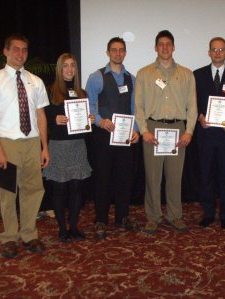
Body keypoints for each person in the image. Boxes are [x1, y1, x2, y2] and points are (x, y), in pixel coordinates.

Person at [0, 33, 49, 258]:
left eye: (24, 50)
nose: (21, 54)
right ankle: (9, 237)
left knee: (33, 190)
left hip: (31, 143)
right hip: (6, 143)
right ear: (6, 51)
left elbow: (40, 116)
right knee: (8, 193)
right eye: (16, 49)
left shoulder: (35, 81)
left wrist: (44, 147)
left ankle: (29, 233)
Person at [135, 30, 197, 234]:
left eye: (168, 44)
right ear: (155, 47)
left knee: (175, 176)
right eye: (161, 44)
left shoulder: (187, 74)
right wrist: (143, 130)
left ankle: (174, 215)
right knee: (153, 177)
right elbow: (139, 106)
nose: (164, 47)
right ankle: (153, 216)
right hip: (152, 129)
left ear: (174, 47)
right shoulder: (144, 73)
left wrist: (188, 131)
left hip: (178, 130)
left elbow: (192, 106)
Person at [86, 37, 139, 240]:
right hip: (103, 135)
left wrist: (136, 130)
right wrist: (100, 121)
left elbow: (134, 108)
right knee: (103, 178)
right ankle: (101, 219)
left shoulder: (131, 79)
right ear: (108, 52)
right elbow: (89, 106)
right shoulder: (96, 77)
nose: (118, 53)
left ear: (125, 53)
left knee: (124, 178)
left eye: (121, 50)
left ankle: (122, 217)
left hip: (125, 137)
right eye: (114, 50)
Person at [193, 37, 225, 229]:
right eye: (214, 49)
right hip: (205, 134)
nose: (217, 53)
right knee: (206, 176)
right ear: (209, 52)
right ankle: (208, 213)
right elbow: (193, 101)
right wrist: (199, 116)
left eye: (221, 49)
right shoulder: (197, 75)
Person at [43, 53, 92, 243]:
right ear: (59, 69)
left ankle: (74, 226)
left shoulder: (82, 93)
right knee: (60, 190)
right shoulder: (50, 91)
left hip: (78, 146)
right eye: (65, 66)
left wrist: (89, 121)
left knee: (77, 189)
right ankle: (62, 229)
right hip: (59, 147)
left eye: (72, 65)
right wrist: (53, 120)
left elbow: (85, 130)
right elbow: (41, 119)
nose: (69, 69)